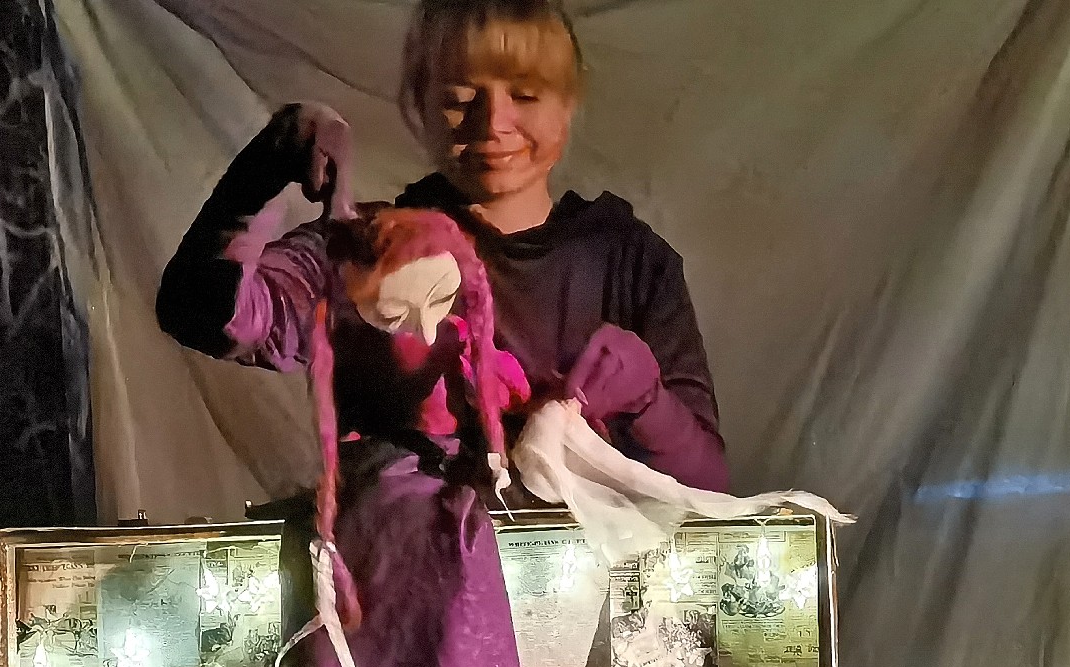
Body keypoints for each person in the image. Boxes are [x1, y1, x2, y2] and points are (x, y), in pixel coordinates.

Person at [156, 0, 729, 492]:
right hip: (412, 575)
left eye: (526, 95)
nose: (492, 123)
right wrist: (257, 179)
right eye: (460, 97)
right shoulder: (373, 250)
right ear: (419, 101)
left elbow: (707, 487)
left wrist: (649, 401)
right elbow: (199, 312)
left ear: (569, 100)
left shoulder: (631, 263)